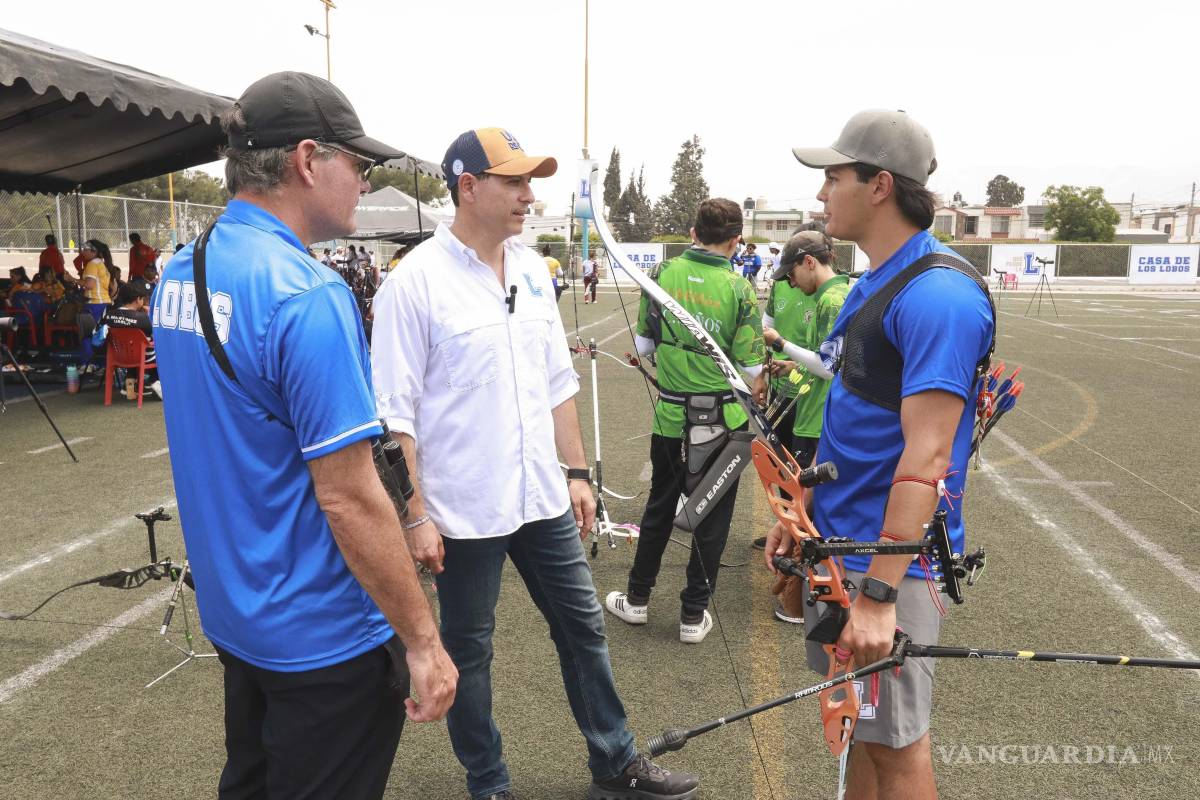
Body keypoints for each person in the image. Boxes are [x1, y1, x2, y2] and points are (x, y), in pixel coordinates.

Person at [150, 71, 457, 800]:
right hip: (322, 635)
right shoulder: (306, 293)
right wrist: (420, 639)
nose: (361, 180)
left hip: (237, 615)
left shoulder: (179, 270)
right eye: (358, 163)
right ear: (308, 159)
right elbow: (349, 497)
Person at [371, 126, 699, 800]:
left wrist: (577, 475)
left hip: (542, 498)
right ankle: (488, 783)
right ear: (468, 187)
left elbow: (557, 384)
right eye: (513, 181)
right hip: (461, 513)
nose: (528, 194)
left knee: (583, 630)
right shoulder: (415, 284)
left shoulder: (530, 269)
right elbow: (395, 417)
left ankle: (615, 760)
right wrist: (415, 518)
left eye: (529, 181)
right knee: (470, 653)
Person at [764, 109, 994, 799]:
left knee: (898, 748)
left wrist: (879, 594)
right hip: (844, 546)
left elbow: (928, 459)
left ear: (880, 186)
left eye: (833, 176)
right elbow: (854, 421)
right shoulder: (873, 281)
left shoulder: (939, 295)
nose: (821, 193)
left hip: (886, 566)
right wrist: (803, 507)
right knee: (865, 735)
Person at [604, 198, 767, 644]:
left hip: (672, 419)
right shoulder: (741, 289)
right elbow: (751, 370)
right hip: (723, 421)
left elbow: (643, 347)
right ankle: (693, 617)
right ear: (736, 242)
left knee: (660, 506)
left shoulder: (663, 275)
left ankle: (637, 601)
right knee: (711, 518)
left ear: (693, 233)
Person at [758, 228, 850, 624]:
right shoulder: (836, 295)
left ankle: (800, 601)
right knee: (804, 508)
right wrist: (794, 366)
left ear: (809, 262)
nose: (791, 283)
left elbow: (829, 369)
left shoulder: (833, 298)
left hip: (820, 420)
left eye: (792, 273)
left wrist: (781, 344)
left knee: (805, 512)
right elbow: (826, 360)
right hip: (815, 413)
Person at [100, 281, 161, 398]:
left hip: (118, 356)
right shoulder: (142, 318)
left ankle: (130, 385)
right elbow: (154, 336)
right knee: (160, 349)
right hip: (143, 357)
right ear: (138, 299)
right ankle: (154, 381)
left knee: (133, 347)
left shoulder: (109, 315)